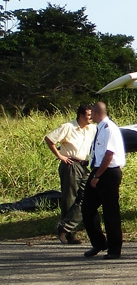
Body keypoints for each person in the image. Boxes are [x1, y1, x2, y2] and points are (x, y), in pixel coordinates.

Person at [43, 104, 96, 244]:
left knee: (88, 196)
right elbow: (49, 139)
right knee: (69, 198)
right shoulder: (68, 127)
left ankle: (65, 227)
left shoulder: (91, 128)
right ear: (81, 115)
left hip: (84, 165)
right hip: (71, 165)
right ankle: (69, 234)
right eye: (88, 115)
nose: (91, 117)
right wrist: (60, 155)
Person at [81, 101, 126, 260]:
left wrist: (97, 176)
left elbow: (109, 155)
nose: (90, 116)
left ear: (95, 112)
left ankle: (114, 249)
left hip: (108, 172)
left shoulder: (109, 128)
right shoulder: (100, 128)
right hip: (98, 169)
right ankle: (99, 243)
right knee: (87, 208)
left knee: (110, 212)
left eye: (91, 113)